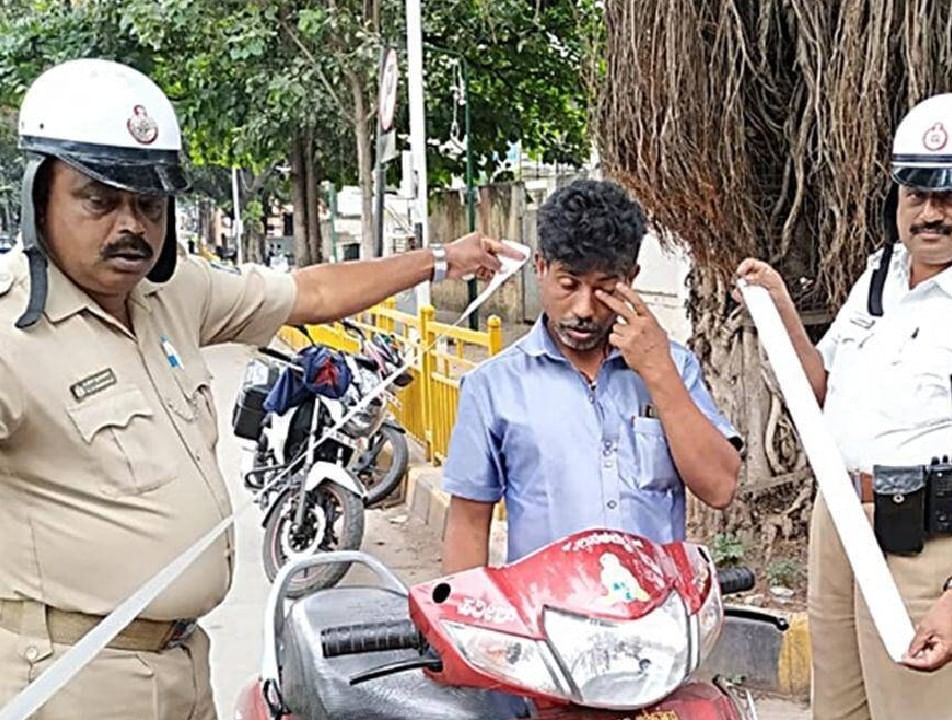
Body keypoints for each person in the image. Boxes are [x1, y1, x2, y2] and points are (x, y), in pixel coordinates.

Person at [0, 58, 519, 720]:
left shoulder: (172, 293)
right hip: (70, 682)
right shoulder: (11, 330)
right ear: (39, 195)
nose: (129, 225)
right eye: (99, 201)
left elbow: (311, 291)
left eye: (149, 204)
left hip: (185, 669)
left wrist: (441, 260)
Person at [738, 93, 952, 720]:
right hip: (843, 521)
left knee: (923, 709)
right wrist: (779, 307)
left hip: (927, 540)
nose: (930, 213)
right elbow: (823, 389)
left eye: (951, 196)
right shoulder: (878, 278)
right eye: (916, 195)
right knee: (838, 708)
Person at [440, 178, 743, 573]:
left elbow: (719, 488)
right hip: (544, 619)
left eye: (603, 289)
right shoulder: (493, 387)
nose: (584, 308)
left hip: (659, 616)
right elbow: (468, 522)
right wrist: (466, 626)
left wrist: (659, 374)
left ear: (630, 278)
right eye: (569, 284)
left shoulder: (673, 367)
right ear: (542, 268)